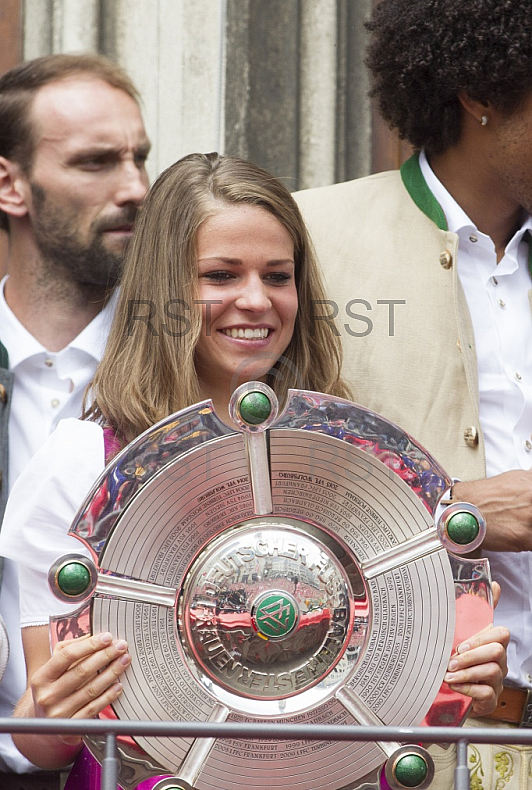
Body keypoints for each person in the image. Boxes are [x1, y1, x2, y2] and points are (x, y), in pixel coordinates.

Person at [0, 153, 508, 783]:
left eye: (278, 276)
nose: (255, 300)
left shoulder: (358, 460)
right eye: (220, 274)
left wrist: (460, 683)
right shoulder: (80, 464)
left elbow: (402, 694)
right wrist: (42, 715)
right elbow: (48, 738)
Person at [293, 0, 532, 786]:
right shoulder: (303, 244)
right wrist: (446, 512)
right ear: (482, 94)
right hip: (381, 746)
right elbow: (218, 497)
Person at [0, 53, 150, 787]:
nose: (136, 188)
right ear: (10, 184)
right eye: (97, 163)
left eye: (139, 158)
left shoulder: (187, 382)